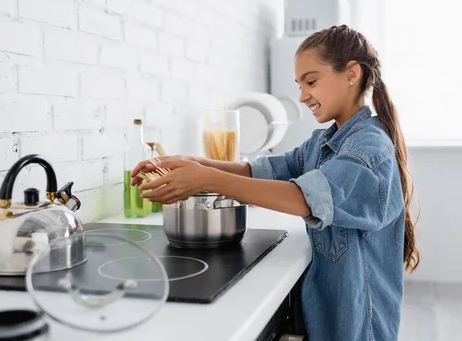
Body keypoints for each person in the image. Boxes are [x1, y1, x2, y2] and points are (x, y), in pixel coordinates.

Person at [131, 25, 420, 341]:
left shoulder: (368, 147)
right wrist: (194, 162)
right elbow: (263, 169)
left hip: (358, 329)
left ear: (351, 74)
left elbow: (304, 198)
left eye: (311, 81)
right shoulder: (321, 142)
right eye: (299, 85)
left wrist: (207, 178)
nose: (302, 95)